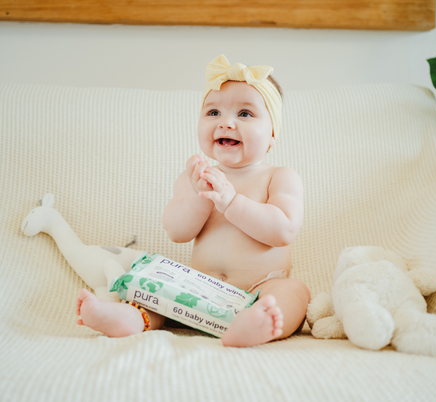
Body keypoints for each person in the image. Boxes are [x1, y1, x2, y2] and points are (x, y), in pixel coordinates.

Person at [75, 54, 311, 347]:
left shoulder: (279, 176)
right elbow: (177, 232)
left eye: (245, 114)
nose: (226, 123)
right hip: (193, 292)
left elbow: (284, 230)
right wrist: (202, 197)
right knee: (155, 291)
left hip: (259, 289)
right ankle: (128, 318)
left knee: (294, 292)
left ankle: (256, 324)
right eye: (213, 113)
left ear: (272, 133)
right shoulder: (196, 176)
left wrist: (231, 202)